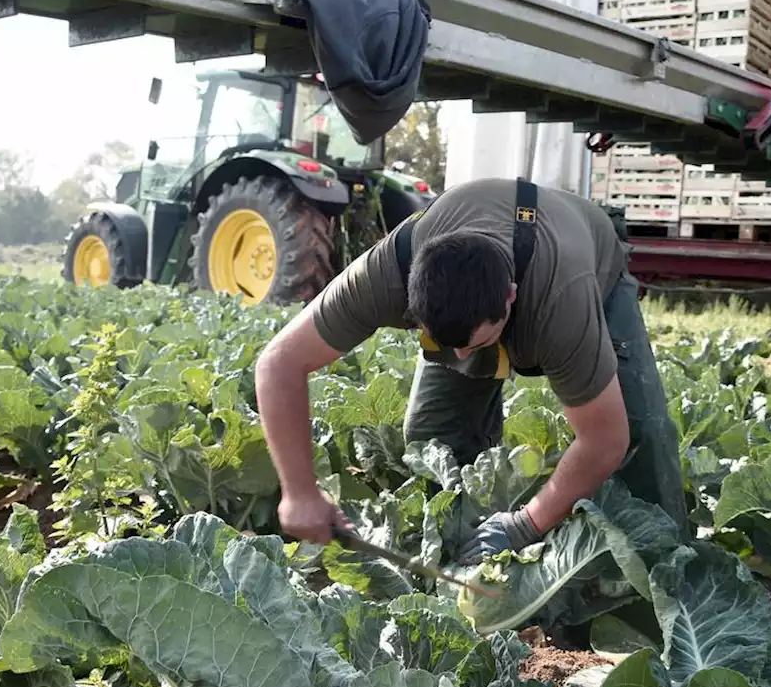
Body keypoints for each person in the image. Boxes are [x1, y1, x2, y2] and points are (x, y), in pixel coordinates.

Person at [254, 176, 688, 565]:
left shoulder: (561, 302)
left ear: (511, 299)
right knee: (433, 437)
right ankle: (462, 549)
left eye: (475, 343)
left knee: (638, 433)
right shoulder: (384, 273)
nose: (460, 353)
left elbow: (605, 440)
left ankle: (665, 569)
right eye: (447, 344)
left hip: (590, 261)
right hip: (478, 266)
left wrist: (525, 524)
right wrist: (299, 492)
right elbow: (278, 364)